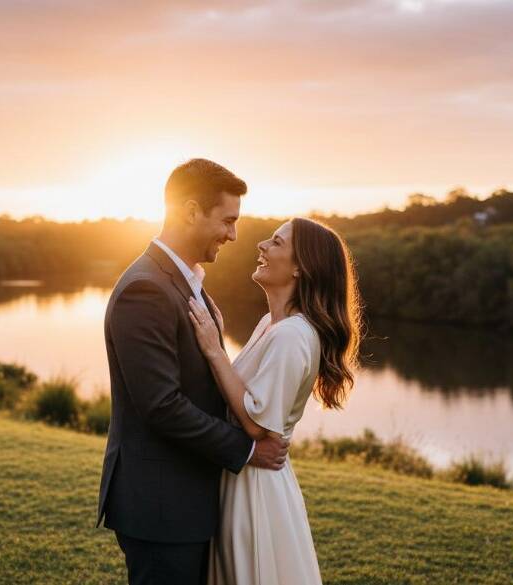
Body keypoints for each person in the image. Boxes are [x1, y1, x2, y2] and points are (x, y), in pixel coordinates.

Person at [97, 158, 290, 585]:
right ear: (189, 211)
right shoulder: (146, 289)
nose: (234, 234)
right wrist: (248, 450)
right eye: (227, 220)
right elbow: (161, 406)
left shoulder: (184, 282)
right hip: (162, 505)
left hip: (187, 498)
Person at [188, 217, 363, 585]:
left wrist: (213, 352)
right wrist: (218, 341)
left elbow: (256, 423)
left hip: (256, 490)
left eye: (277, 243)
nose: (262, 246)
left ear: (301, 267)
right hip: (240, 477)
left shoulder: (292, 336)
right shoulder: (270, 324)